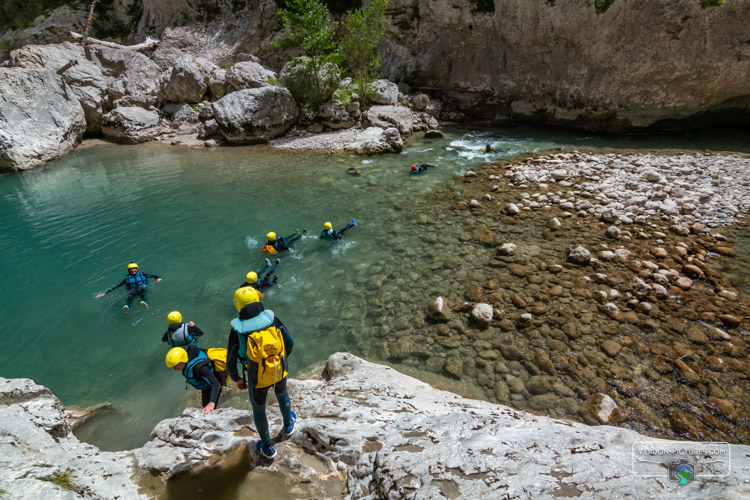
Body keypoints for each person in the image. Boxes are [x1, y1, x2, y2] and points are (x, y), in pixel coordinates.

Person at [226, 286, 296, 459]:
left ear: (237, 305)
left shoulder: (238, 330)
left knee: (259, 410)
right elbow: (290, 343)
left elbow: (230, 362)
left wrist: (237, 378)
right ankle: (288, 425)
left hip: (256, 377)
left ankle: (267, 447)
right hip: (278, 369)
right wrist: (279, 361)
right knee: (282, 395)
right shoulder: (272, 319)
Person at [165, 345, 225, 415]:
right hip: (206, 383)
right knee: (205, 405)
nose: (174, 369)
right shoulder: (187, 364)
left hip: (215, 381)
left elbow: (216, 383)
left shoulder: (200, 368)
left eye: (175, 366)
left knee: (210, 407)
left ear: (183, 360)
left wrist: (212, 402)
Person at [95, 262, 162, 312]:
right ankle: (127, 306)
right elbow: (117, 286)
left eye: (134, 269)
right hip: (133, 290)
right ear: (128, 270)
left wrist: (158, 278)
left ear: (137, 269)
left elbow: (154, 276)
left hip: (142, 288)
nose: (133, 270)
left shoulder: (143, 275)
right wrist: (105, 293)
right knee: (130, 298)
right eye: (131, 269)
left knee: (144, 294)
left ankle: (144, 303)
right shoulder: (126, 279)